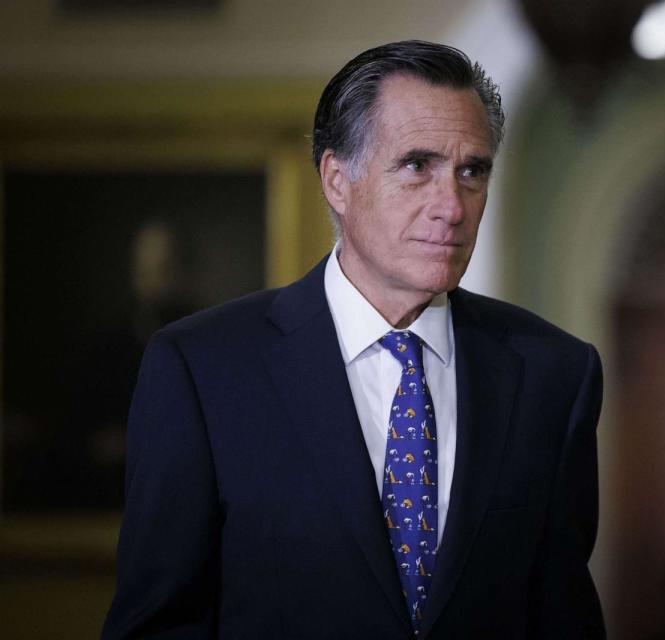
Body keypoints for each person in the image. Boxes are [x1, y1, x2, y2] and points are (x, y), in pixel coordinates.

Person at [102, 40, 604, 639]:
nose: (451, 205)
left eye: (471, 171)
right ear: (338, 181)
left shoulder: (553, 375)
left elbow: (563, 618)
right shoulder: (202, 369)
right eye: (417, 166)